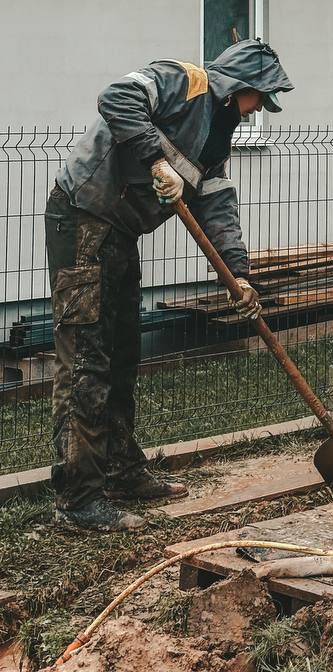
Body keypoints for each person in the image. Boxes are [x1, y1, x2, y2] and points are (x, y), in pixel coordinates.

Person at [45, 38, 294, 530]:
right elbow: (117, 97)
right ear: (237, 87)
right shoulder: (182, 81)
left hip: (119, 233)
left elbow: (218, 208)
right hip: (83, 220)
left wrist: (238, 275)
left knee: (122, 354)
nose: (258, 110)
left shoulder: (217, 139)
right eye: (259, 98)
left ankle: (120, 471)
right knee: (87, 359)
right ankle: (78, 500)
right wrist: (156, 159)